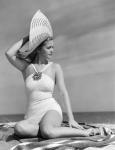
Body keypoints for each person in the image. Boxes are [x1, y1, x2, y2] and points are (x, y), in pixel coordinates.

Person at [5, 10, 101, 139]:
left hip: (50, 110)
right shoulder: (27, 68)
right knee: (19, 128)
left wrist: (71, 119)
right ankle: (45, 129)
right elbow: (9, 53)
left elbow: (63, 92)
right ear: (39, 49)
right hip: (32, 116)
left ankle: (84, 133)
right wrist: (30, 37)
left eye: (53, 47)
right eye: (48, 47)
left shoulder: (55, 67)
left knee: (48, 132)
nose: (52, 50)